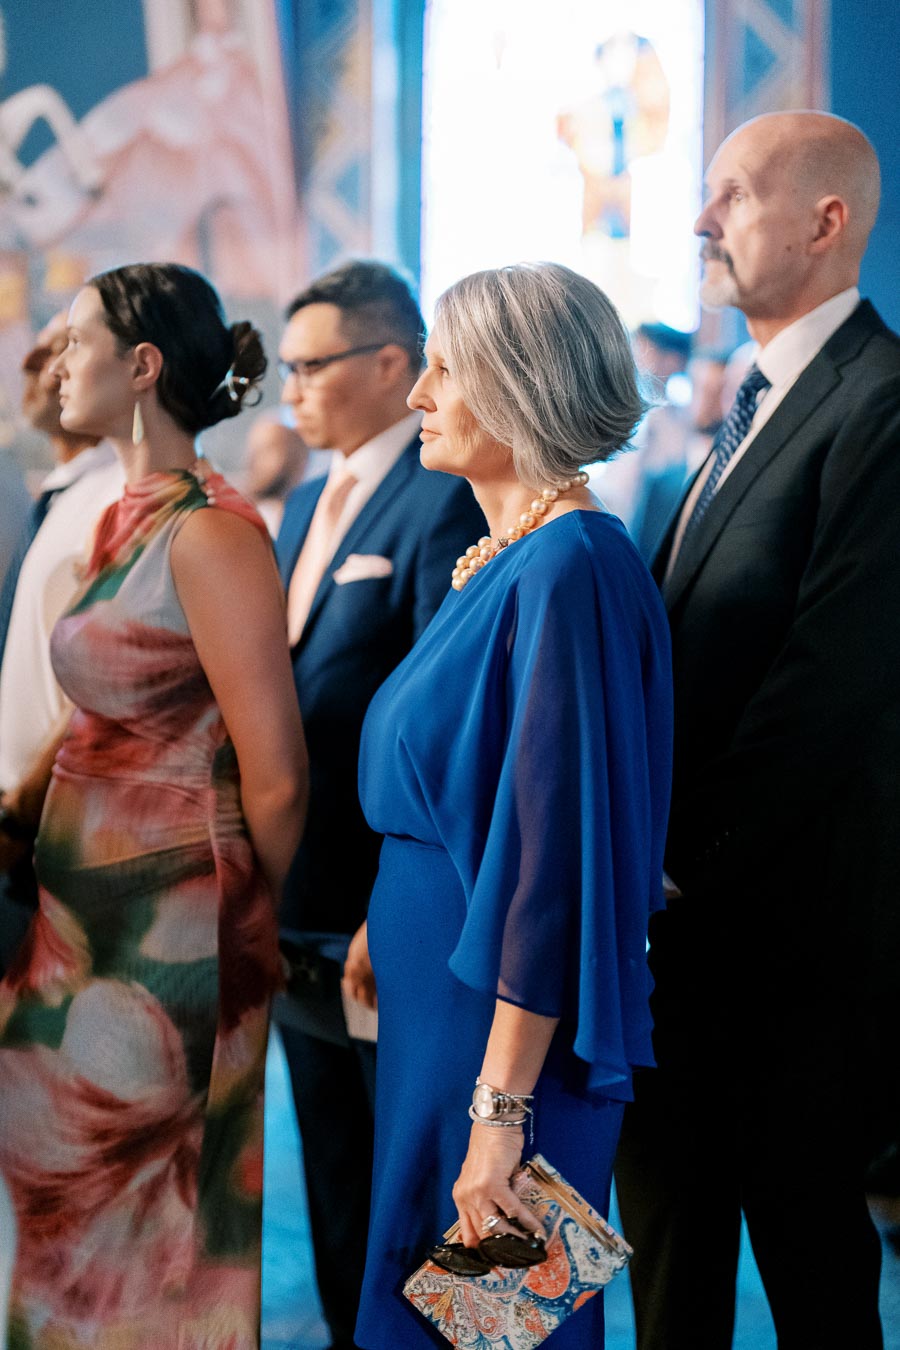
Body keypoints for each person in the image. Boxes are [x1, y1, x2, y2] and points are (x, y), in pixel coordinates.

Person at [614, 111, 900, 1349]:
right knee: (672, 1266)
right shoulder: (749, 404)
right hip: (682, 946)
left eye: (729, 195)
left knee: (811, 1274)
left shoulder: (880, 404)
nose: (698, 222)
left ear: (825, 220)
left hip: (791, 952)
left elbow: (831, 681)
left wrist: (678, 860)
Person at [351, 262, 673, 1349]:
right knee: (439, 1311)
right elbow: (470, 798)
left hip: (495, 1030)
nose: (417, 395)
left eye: (443, 369)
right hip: (443, 1001)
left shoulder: (572, 561)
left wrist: (502, 1112)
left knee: (481, 1329)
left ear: (518, 384)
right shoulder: (512, 556)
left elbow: (555, 862)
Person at [0, 262, 308, 1349]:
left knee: (147, 1221)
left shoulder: (212, 532)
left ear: (141, 366)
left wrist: (246, 920)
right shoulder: (121, 517)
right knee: (59, 1200)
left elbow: (275, 771)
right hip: (79, 929)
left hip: (170, 937)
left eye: (77, 340)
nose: (56, 361)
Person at [274, 258, 486, 1350]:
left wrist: (379, 909)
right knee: (339, 1177)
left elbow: (447, 720)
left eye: (312, 366)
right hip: (300, 902)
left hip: (394, 912)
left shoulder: (452, 494)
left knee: (431, 1186)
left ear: (394, 361)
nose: (290, 389)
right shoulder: (309, 498)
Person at [0, 312, 124, 975]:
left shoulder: (118, 494)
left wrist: (20, 811)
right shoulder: (56, 493)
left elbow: (109, 670)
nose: (32, 365)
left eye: (60, 348)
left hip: (57, 832)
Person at [241, 413, 309, 536]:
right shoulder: (235, 510)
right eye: (254, 449)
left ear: (298, 459)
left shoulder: (305, 519)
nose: (253, 460)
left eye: (268, 449)